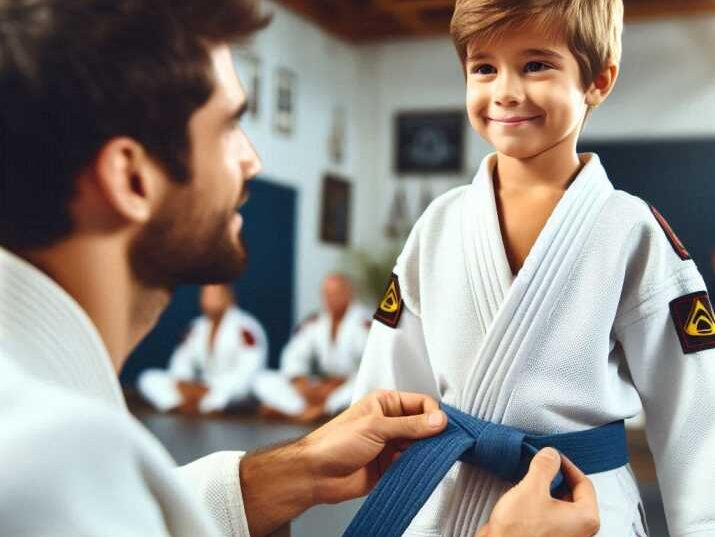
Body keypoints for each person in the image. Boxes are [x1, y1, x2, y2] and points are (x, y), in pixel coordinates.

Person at [0, 0, 601, 536]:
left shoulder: (55, 437)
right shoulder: (51, 462)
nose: (253, 160)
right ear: (131, 178)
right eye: (230, 125)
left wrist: (274, 478)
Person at [353, 1, 715, 536]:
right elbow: (388, 384)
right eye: (484, 68)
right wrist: (376, 471)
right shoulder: (439, 222)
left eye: (535, 65)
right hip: (446, 496)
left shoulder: (629, 227)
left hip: (581, 502)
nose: (505, 91)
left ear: (597, 80)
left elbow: (694, 405)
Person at [254, 273, 371, 421]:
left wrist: (337, 384)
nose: (331, 299)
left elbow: (373, 365)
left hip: (347, 385)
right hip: (320, 385)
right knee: (262, 379)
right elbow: (293, 354)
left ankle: (322, 410)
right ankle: (304, 412)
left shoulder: (365, 323)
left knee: (362, 387)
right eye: (326, 294)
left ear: (350, 293)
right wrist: (300, 382)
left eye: (336, 293)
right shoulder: (316, 321)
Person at [138, 283, 268, 414]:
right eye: (205, 295)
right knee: (148, 378)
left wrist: (209, 387)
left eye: (214, 295)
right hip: (200, 387)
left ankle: (199, 404)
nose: (208, 300)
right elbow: (181, 360)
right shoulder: (196, 327)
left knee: (255, 385)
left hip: (228, 389)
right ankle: (180, 405)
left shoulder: (245, 328)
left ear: (229, 297)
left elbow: (249, 371)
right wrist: (184, 383)